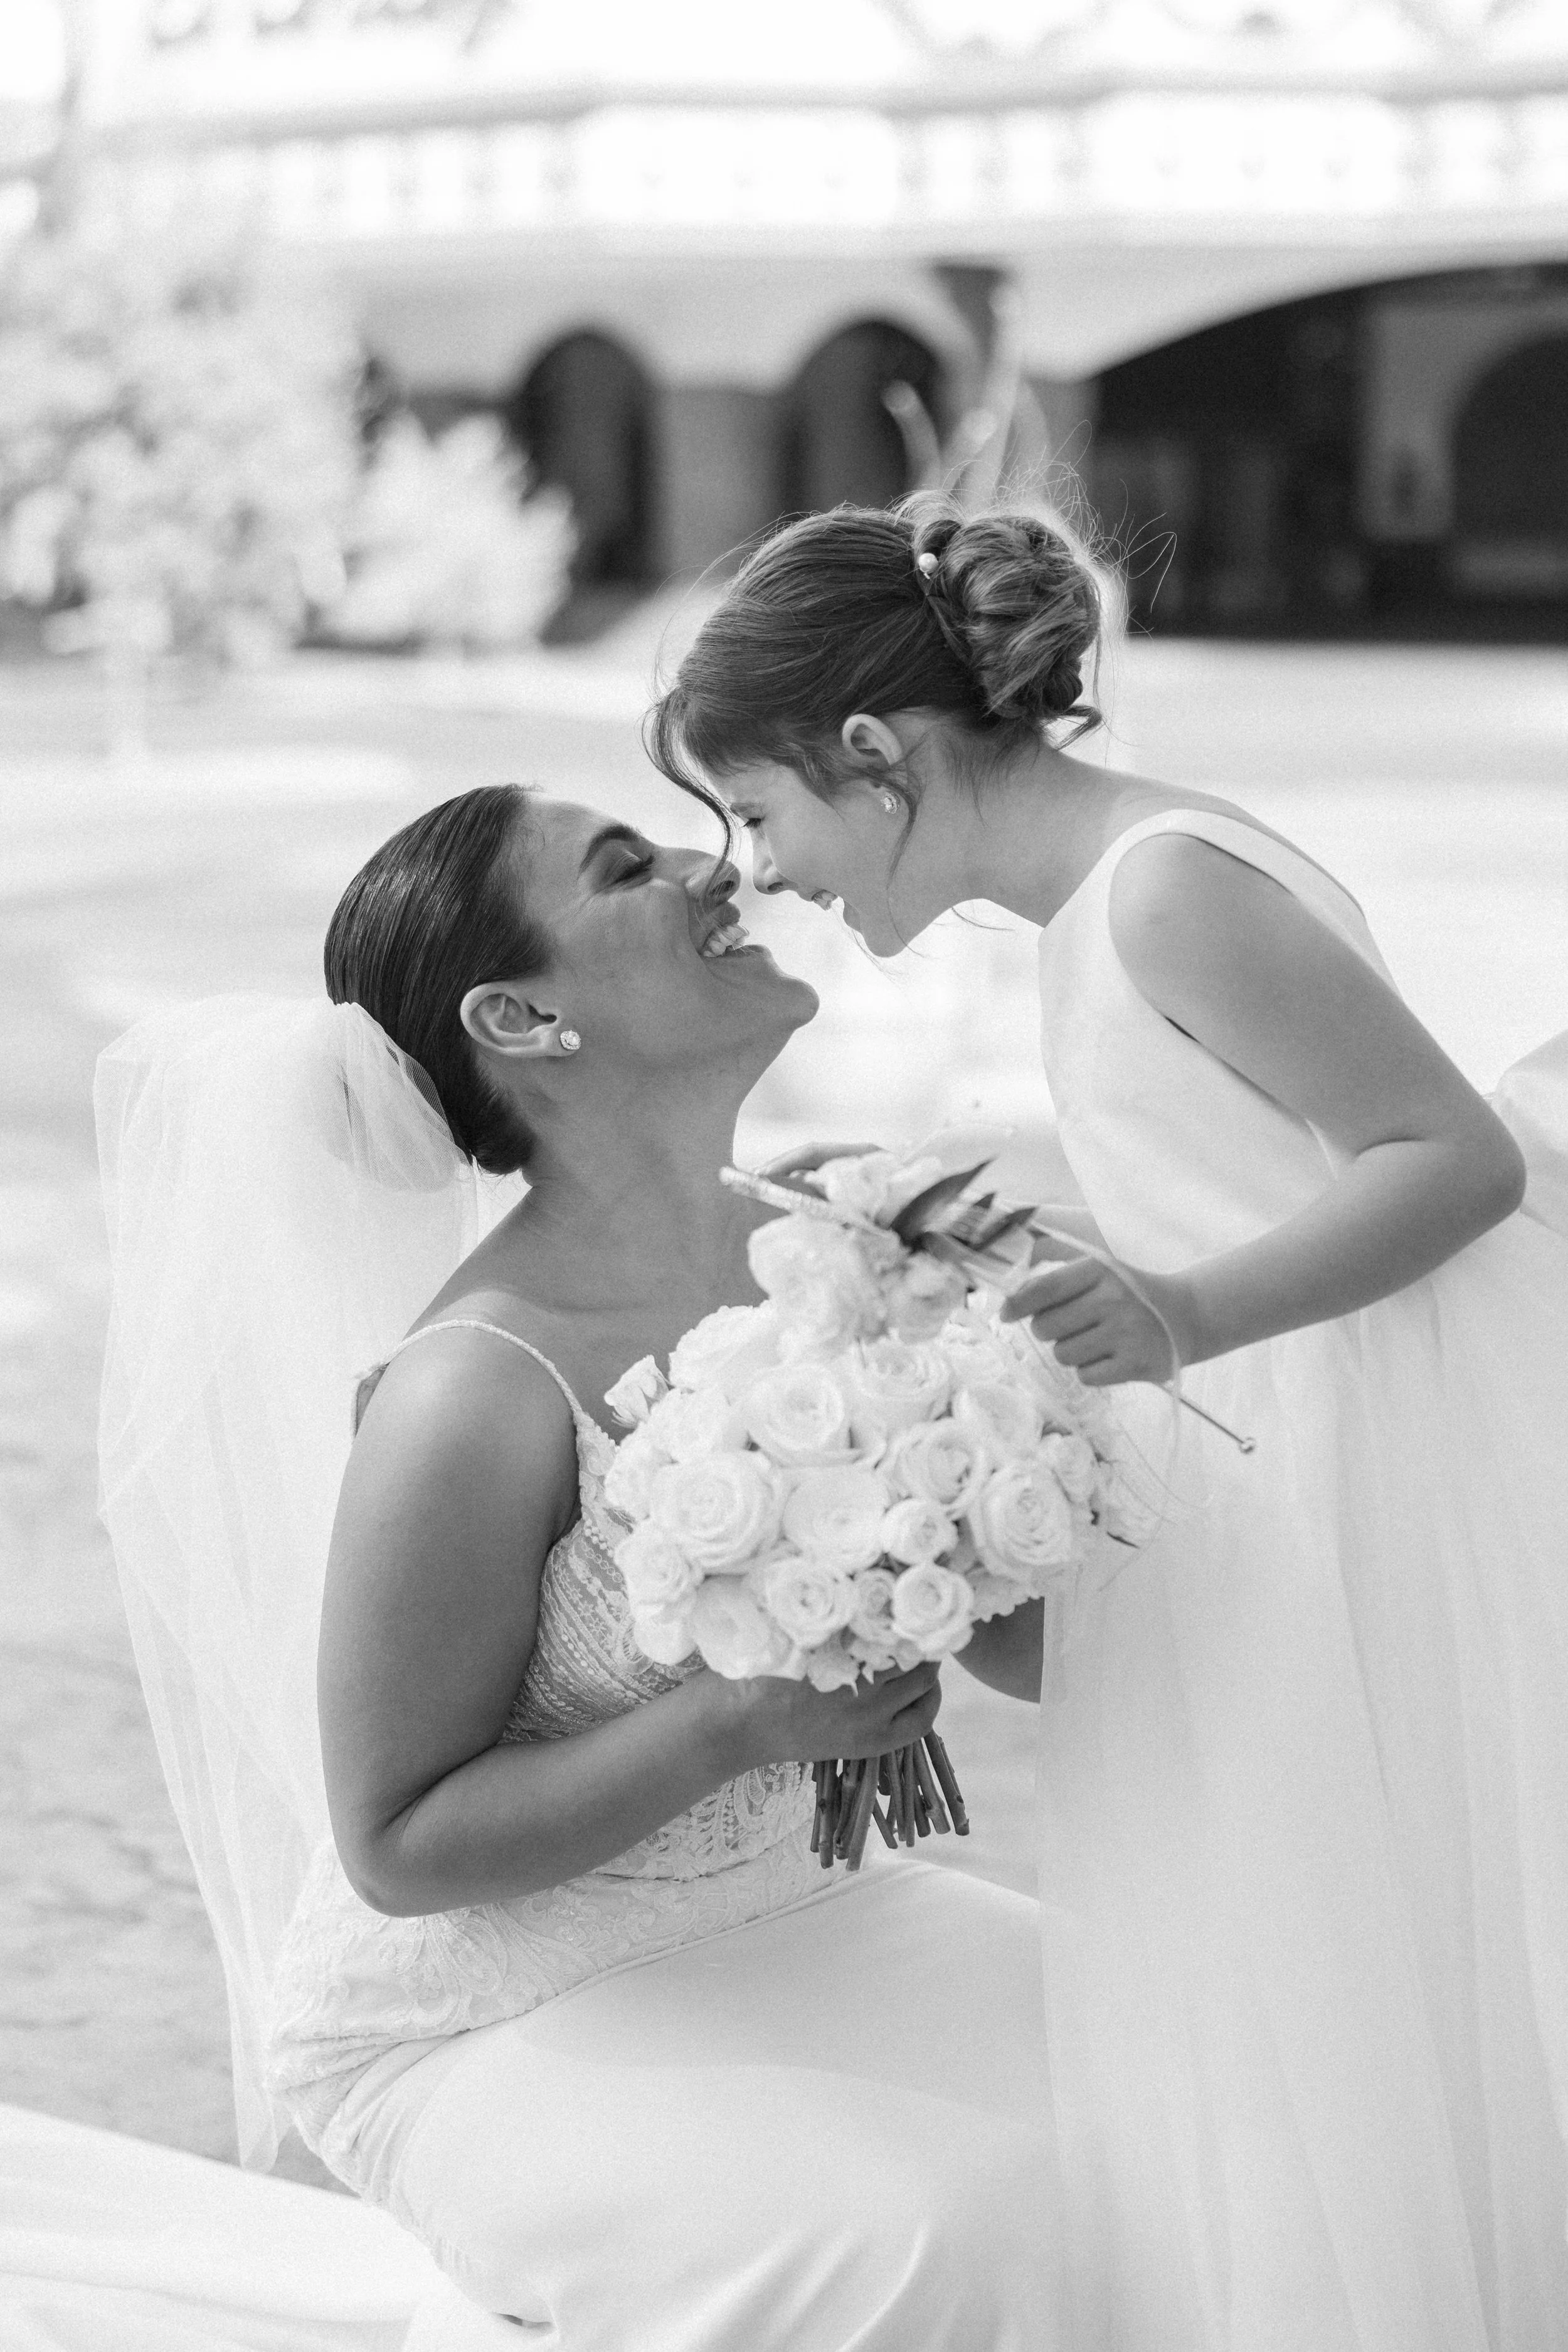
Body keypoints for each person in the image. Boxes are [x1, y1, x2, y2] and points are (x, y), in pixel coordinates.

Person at [646, 499, 1568, 2352]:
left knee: (1345, 1970)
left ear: (872, 756)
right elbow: (1250, 1182)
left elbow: (1448, 1157)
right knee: (1305, 1991)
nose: (760, 870)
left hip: (1360, 1498)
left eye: (755, 812)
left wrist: (1182, 1313)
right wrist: (1016, 1264)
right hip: (1289, 1469)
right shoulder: (1096, 907)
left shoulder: (1158, 883)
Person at [96, 782, 1065, 2352]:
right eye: (628, 865)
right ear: (520, 1017)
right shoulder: (474, 1389)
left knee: (1183, 2071)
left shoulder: (844, 1247)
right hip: (484, 2010)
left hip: (804, 1900)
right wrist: (737, 1725)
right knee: (921, 2235)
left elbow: (1018, 1652)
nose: (709, 863)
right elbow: (397, 1842)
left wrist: (1008, 1493)